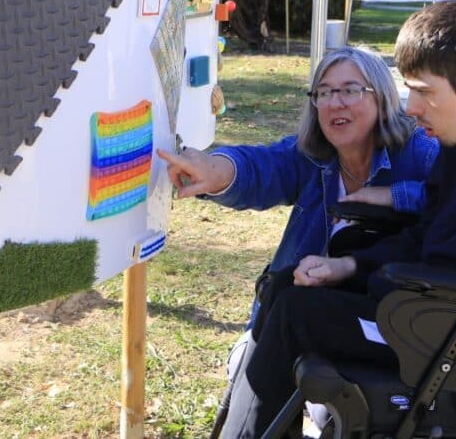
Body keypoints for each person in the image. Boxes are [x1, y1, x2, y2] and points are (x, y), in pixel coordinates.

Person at [215, 0, 456, 438]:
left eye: (424, 91)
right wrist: (351, 267)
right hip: (430, 305)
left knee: (296, 315)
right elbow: (426, 234)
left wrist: (400, 291)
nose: (412, 107)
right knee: (285, 284)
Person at [156, 46, 438, 329]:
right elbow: (262, 167)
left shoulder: (421, 151)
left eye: (351, 90)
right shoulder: (313, 157)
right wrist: (215, 171)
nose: (335, 103)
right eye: (324, 92)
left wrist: (393, 195)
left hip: (396, 314)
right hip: (307, 307)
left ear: (382, 97)